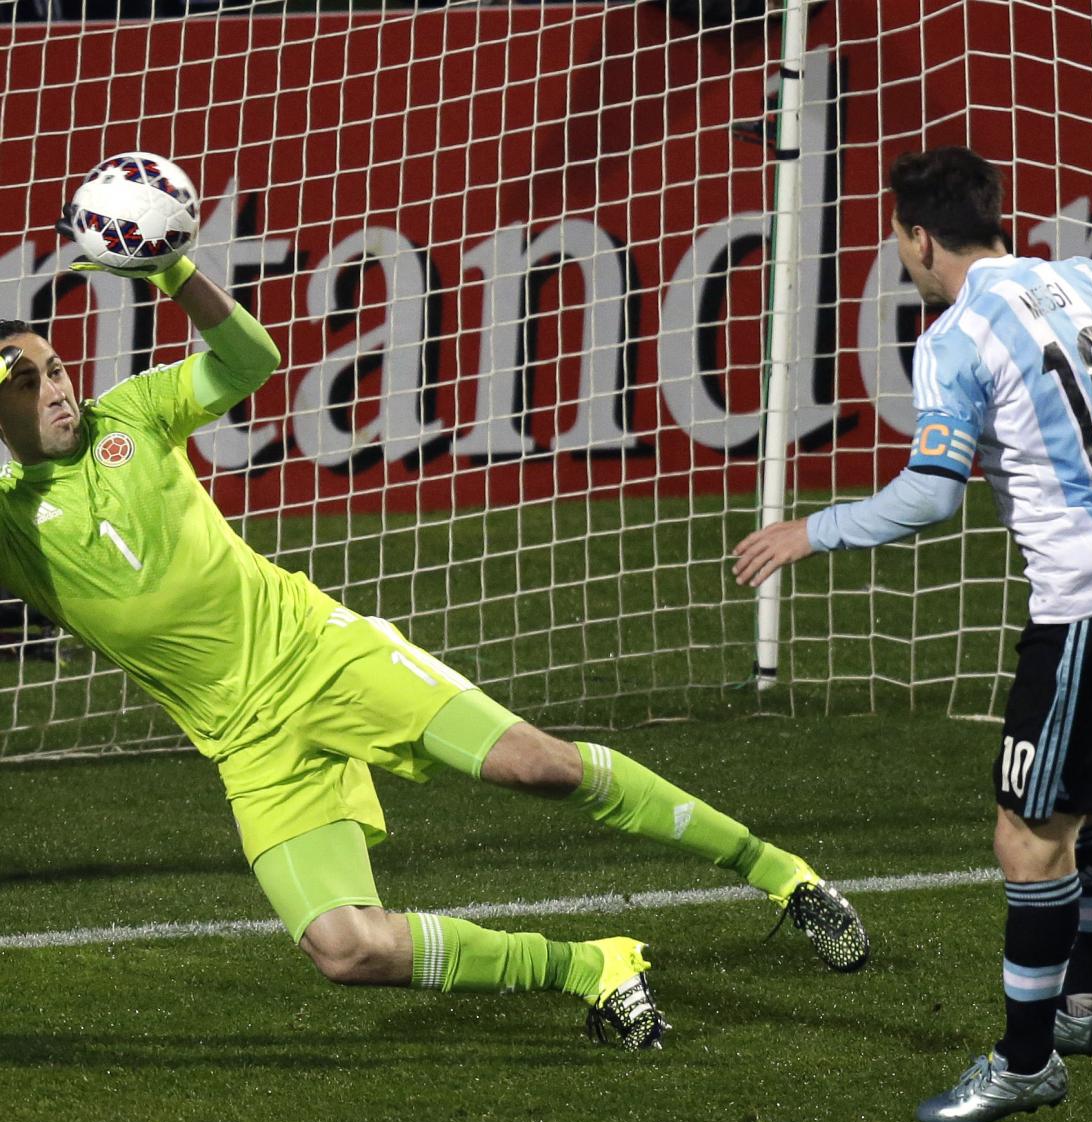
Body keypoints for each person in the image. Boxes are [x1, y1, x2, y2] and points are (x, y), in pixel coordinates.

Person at [0, 225, 868, 1055]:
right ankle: (591, 968)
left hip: (322, 654)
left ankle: (781, 874)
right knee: (346, 950)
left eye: (58, 366)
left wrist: (174, 275)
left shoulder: (135, 416)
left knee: (544, 767)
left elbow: (251, 361)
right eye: (29, 382)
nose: (59, 387)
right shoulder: (10, 523)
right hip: (246, 742)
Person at [733, 145, 1092, 1122]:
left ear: (918, 235)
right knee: (1083, 802)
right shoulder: (1088, 279)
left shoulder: (952, 336)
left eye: (897, 240)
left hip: (1090, 604)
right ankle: (1085, 1006)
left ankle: (1027, 1063)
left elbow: (929, 498)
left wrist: (807, 531)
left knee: (1026, 835)